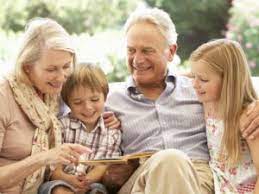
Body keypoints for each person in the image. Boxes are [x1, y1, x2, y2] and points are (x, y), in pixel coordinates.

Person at [103, 8, 259, 194]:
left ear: (171, 51)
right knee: (170, 160)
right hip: (140, 180)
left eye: (147, 50)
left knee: (173, 162)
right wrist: (109, 176)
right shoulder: (108, 100)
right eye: (131, 50)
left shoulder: (199, 90)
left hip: (198, 178)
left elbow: (236, 90)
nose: (137, 60)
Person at [0, 18, 117, 194]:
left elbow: (88, 99)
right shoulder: (4, 96)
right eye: (51, 69)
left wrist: (109, 119)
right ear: (27, 67)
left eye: (66, 66)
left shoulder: (56, 95)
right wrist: (44, 157)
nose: (62, 76)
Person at [39, 63, 122, 194]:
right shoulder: (61, 126)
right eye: (78, 102)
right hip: (61, 181)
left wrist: (85, 181)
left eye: (94, 99)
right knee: (57, 189)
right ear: (68, 103)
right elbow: (54, 168)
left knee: (98, 191)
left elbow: (103, 165)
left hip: (92, 183)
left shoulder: (112, 132)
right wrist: (69, 179)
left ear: (105, 97)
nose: (88, 107)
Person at [190, 39, 259, 193]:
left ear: (228, 81)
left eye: (203, 79)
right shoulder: (208, 103)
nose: (194, 84)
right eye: (194, 76)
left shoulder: (248, 117)